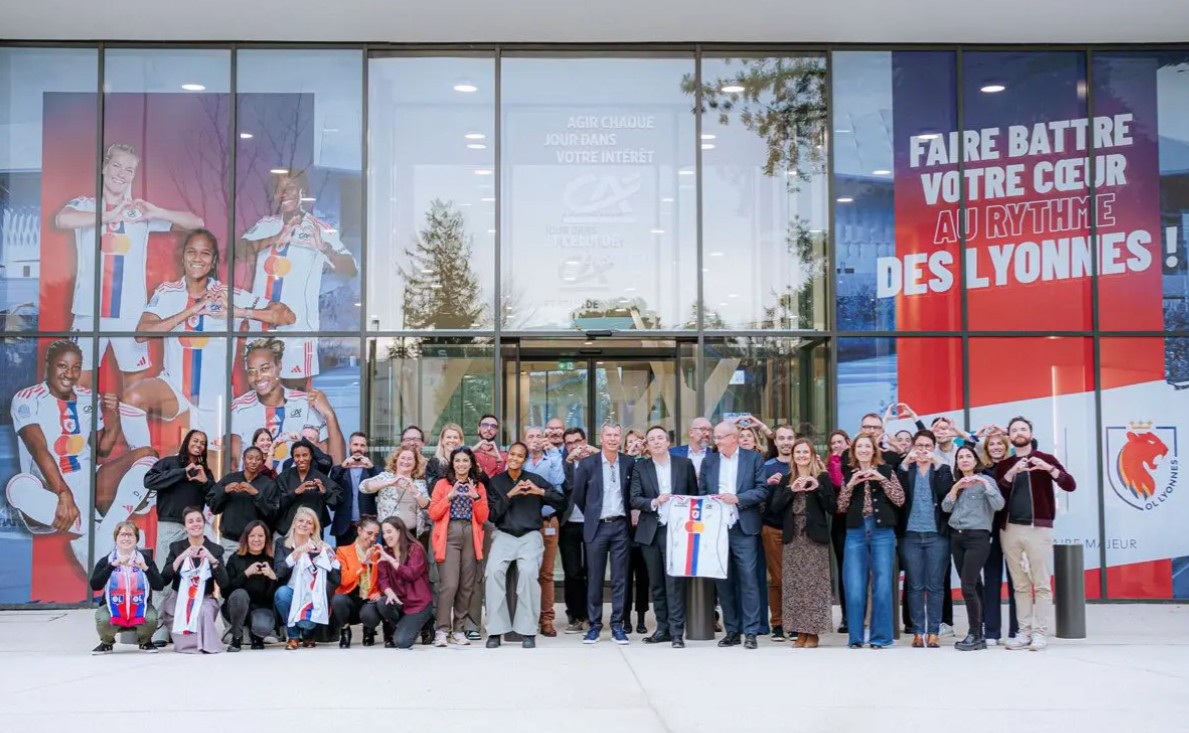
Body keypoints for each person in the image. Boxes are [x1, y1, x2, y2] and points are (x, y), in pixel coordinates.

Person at [122, 228, 295, 453]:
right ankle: (142, 468)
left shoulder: (227, 294)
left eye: (205, 254)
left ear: (213, 260)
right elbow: (141, 333)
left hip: (214, 401)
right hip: (174, 391)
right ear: (183, 256)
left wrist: (236, 311)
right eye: (191, 252)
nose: (197, 258)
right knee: (132, 397)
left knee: (209, 473)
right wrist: (192, 310)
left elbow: (286, 316)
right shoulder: (167, 292)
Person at [54, 142, 203, 390]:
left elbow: (197, 224)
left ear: (134, 175)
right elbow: (62, 219)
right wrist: (109, 216)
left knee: (134, 394)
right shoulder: (85, 204)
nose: (121, 174)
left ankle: (121, 430)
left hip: (130, 314)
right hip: (88, 311)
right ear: (104, 167)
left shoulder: (140, 213)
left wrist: (158, 211)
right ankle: (91, 430)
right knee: (80, 388)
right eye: (116, 166)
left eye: (128, 170)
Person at [5, 340, 156, 573]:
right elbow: (39, 448)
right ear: (49, 364)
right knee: (18, 487)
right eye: (62, 366)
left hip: (89, 488)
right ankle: (102, 532)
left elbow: (101, 450)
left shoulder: (88, 398)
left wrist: (115, 415)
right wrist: (64, 494)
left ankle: (103, 533)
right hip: (50, 497)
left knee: (148, 455)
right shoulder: (26, 398)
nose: (69, 374)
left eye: (76, 367)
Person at [237, 169, 357, 390]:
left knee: (295, 397)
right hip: (259, 328)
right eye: (279, 189)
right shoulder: (265, 225)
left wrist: (323, 247)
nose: (284, 193)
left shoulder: (319, 229)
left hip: (297, 333)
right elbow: (238, 252)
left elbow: (351, 269)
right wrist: (276, 239)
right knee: (259, 395)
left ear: (303, 192)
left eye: (290, 187)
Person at [994, 416, 1076, 652]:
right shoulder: (1004, 463)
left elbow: (1070, 484)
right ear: (1009, 436)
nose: (1019, 433)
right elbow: (997, 497)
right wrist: (1011, 473)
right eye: (1014, 430)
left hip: (1038, 528)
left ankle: (1040, 633)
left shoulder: (1046, 459)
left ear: (1030, 433)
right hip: (1009, 529)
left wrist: (1048, 469)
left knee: (1041, 583)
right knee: (1019, 585)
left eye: (1023, 429)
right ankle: (1023, 632)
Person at [484, 442, 566, 648]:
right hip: (504, 534)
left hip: (530, 535)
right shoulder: (496, 482)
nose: (515, 458)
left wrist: (540, 492)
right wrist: (510, 495)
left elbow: (562, 502)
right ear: (507, 456)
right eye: (512, 454)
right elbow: (492, 515)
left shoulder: (535, 479)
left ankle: (527, 630)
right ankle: (495, 631)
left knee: (528, 573)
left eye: (520, 456)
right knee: (493, 572)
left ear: (524, 459)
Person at [698, 420, 768, 649]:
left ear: (733, 438)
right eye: (715, 437)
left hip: (743, 526)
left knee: (748, 579)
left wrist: (738, 498)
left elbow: (762, 490)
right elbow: (702, 493)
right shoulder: (709, 461)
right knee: (723, 581)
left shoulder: (753, 458)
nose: (715, 441)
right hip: (717, 529)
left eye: (719, 437)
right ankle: (732, 631)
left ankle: (751, 632)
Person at [628, 425, 698, 647]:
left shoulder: (683, 464)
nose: (656, 442)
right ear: (646, 445)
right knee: (656, 583)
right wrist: (654, 502)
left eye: (661, 437)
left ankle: (677, 631)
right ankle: (663, 628)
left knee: (674, 583)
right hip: (651, 530)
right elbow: (634, 498)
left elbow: (694, 496)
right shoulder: (642, 468)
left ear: (668, 442)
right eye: (652, 439)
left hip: (677, 531)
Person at [228, 337, 345, 471]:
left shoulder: (306, 404)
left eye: (265, 368)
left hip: (298, 489)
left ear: (279, 365)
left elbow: (336, 463)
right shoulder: (238, 408)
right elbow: (233, 464)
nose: (258, 377)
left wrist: (330, 415)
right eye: (251, 371)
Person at [143, 428, 215, 643]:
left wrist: (205, 482)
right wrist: (183, 472)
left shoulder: (205, 471)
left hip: (193, 530)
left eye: (202, 442)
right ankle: (157, 628)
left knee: (190, 577)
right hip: (169, 524)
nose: (199, 445)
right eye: (195, 441)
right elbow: (149, 481)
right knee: (165, 576)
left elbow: (214, 500)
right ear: (187, 442)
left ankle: (183, 624)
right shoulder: (169, 463)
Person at [838, 434, 905, 649]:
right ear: (854, 451)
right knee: (854, 585)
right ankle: (856, 637)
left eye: (868, 446)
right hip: (856, 532)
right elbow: (840, 506)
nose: (864, 450)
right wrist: (851, 485)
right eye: (860, 447)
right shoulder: (848, 472)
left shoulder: (886, 470)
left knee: (883, 585)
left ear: (874, 450)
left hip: (882, 532)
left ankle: (881, 637)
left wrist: (881, 479)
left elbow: (900, 499)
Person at [769, 438, 835, 648]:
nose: (801, 456)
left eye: (805, 452)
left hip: (814, 537)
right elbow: (775, 507)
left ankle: (813, 632)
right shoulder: (787, 478)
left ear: (812, 454)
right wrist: (791, 490)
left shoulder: (822, 477)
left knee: (814, 586)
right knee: (795, 586)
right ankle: (799, 631)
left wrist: (817, 488)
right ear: (793, 456)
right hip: (793, 537)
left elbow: (832, 507)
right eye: (798, 452)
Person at [572, 423, 634, 645]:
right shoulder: (588, 464)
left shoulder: (628, 462)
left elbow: (631, 493)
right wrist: (592, 513)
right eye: (608, 434)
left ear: (620, 437)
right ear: (600, 437)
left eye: (616, 434)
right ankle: (595, 626)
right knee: (595, 579)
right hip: (597, 527)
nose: (612, 438)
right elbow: (578, 495)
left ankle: (617, 625)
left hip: (620, 526)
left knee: (620, 579)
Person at [943, 445, 1005, 651]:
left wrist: (985, 485)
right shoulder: (957, 483)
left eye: (968, 456)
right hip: (957, 537)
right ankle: (980, 630)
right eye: (960, 457)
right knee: (973, 584)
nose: (964, 460)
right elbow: (946, 507)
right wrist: (954, 488)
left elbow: (998, 505)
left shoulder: (987, 481)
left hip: (977, 537)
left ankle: (975, 634)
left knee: (967, 586)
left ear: (975, 460)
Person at [895, 430, 953, 649]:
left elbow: (945, 493)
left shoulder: (943, 469)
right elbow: (897, 494)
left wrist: (937, 465)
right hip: (910, 535)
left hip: (937, 535)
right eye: (919, 445)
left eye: (927, 445)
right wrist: (903, 465)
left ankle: (934, 632)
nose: (923, 450)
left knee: (936, 586)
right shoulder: (905, 469)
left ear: (934, 447)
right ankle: (918, 632)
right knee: (915, 586)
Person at [428, 446, 490, 646]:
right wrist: (449, 497)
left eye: (465, 460)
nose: (461, 464)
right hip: (450, 534)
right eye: (457, 460)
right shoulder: (442, 484)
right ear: (452, 463)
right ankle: (442, 630)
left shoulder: (478, 486)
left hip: (470, 535)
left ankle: (459, 630)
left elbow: (483, 517)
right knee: (450, 584)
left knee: (466, 585)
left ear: (471, 463)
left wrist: (476, 497)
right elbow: (433, 513)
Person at [160, 506, 230, 654]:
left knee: (203, 610)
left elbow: (224, 583)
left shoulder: (215, 549)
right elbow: (164, 579)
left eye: (198, 520)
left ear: (204, 523)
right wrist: (180, 558)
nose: (195, 524)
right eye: (190, 521)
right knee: (178, 618)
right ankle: (190, 643)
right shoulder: (176, 547)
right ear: (185, 526)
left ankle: (207, 644)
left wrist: (212, 560)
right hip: (179, 599)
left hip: (205, 598)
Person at [90, 521, 164, 654]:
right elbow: (95, 585)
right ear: (116, 538)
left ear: (136, 539)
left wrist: (146, 568)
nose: (126, 538)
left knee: (152, 617)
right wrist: (112, 566)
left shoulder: (145, 560)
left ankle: (145, 642)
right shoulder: (107, 561)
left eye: (130, 535)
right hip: (113, 607)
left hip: (139, 607)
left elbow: (159, 586)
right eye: (122, 535)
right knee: (103, 618)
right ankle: (106, 643)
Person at [274, 506, 341, 649]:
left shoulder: (319, 548)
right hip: (291, 593)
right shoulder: (282, 543)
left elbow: (336, 579)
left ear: (313, 529)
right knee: (282, 594)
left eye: (309, 523)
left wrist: (330, 556)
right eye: (301, 521)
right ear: (294, 523)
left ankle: (308, 634)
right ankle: (293, 636)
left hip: (311, 596)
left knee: (306, 623)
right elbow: (279, 572)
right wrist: (296, 553)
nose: (304, 525)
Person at [521, 425, 565, 637]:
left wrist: (555, 453)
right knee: (527, 573)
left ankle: (546, 619)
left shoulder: (552, 461)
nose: (536, 440)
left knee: (546, 573)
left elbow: (558, 484)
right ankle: (527, 616)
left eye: (540, 436)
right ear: (524, 439)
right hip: (525, 524)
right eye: (531, 436)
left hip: (548, 523)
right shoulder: (520, 461)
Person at [977, 430, 1019, 645]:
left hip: (1012, 528)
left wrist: (1007, 432)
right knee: (991, 580)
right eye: (991, 444)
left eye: (999, 443)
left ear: (1006, 445)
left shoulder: (1016, 467)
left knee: (1016, 581)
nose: (995, 447)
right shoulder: (983, 470)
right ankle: (992, 631)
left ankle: (1016, 630)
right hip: (990, 530)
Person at [760, 425, 797, 641]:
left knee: (795, 578)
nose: (786, 442)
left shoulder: (802, 462)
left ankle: (794, 623)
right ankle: (778, 624)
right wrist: (767, 485)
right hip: (773, 527)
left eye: (789, 438)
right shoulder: (766, 467)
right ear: (776, 441)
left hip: (799, 530)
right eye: (781, 438)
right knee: (778, 579)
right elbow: (758, 496)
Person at [376, 516, 435, 649]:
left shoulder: (415, 549)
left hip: (418, 604)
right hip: (401, 603)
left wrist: (391, 560)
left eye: (389, 532)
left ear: (400, 531)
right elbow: (383, 579)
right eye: (384, 533)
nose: (386, 536)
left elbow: (410, 574)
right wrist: (389, 592)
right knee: (383, 603)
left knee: (402, 642)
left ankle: (426, 622)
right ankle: (404, 626)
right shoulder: (386, 552)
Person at [208, 446, 278, 555]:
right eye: (250, 458)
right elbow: (212, 505)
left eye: (258, 459)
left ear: (262, 461)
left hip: (256, 544)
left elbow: (273, 514)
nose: (253, 462)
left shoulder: (268, 484)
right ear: (244, 459)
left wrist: (256, 494)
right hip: (229, 542)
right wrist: (225, 490)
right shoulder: (230, 479)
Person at [223, 520, 279, 651]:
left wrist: (272, 577)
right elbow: (225, 591)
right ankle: (236, 639)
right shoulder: (235, 558)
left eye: (260, 536)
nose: (256, 539)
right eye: (252, 536)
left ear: (266, 538)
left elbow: (273, 598)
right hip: (236, 607)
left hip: (261, 609)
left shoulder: (271, 560)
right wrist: (246, 574)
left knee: (262, 625)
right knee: (240, 594)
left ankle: (256, 637)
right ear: (246, 538)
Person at [560, 427, 594, 633]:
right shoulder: (563, 464)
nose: (574, 446)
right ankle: (575, 615)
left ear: (585, 441)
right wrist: (568, 463)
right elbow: (564, 487)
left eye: (577, 441)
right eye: (569, 443)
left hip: (591, 523)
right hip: (569, 524)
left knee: (592, 570)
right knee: (572, 573)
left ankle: (591, 615)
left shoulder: (595, 461)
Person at [332, 517, 384, 648]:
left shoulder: (378, 552)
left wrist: (379, 593)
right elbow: (344, 580)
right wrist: (362, 564)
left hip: (369, 598)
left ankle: (369, 630)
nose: (372, 538)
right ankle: (345, 630)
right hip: (350, 597)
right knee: (338, 600)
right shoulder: (343, 551)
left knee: (369, 616)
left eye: (376, 535)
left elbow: (384, 579)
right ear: (359, 530)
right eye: (369, 533)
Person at [274, 439, 342, 535]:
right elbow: (275, 503)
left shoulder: (320, 477)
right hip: (289, 531)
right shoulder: (283, 477)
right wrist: (295, 492)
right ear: (293, 458)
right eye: (297, 456)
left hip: (314, 532)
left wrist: (324, 492)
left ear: (311, 457)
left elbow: (338, 499)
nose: (301, 459)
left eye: (305, 455)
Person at [620, 428, 650, 635]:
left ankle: (641, 617)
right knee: (624, 575)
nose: (635, 445)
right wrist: (629, 457)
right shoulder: (621, 465)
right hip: (624, 526)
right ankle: (624, 618)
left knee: (643, 575)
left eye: (638, 441)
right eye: (630, 442)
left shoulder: (649, 466)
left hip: (645, 524)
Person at [360, 446, 429, 536]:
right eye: (402, 458)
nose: (405, 461)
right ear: (396, 460)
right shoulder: (385, 477)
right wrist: (390, 482)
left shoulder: (419, 483)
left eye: (410, 459)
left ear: (415, 463)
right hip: (387, 533)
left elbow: (427, 505)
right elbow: (363, 487)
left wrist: (414, 491)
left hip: (411, 534)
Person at [329, 432, 382, 545]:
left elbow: (382, 488)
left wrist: (371, 468)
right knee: (344, 561)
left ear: (366, 448)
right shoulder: (338, 470)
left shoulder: (374, 469)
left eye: (362, 445)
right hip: (344, 526)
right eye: (355, 444)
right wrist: (343, 467)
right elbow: (331, 487)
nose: (358, 448)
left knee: (367, 560)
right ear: (349, 446)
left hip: (368, 526)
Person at [825, 428, 850, 633]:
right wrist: (834, 461)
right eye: (833, 443)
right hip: (840, 523)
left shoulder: (855, 463)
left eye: (840, 442)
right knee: (844, 570)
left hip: (857, 522)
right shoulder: (829, 465)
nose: (836, 446)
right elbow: (835, 484)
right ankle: (846, 616)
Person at [425, 423, 465, 495]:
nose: (452, 440)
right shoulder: (433, 463)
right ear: (442, 441)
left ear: (460, 441)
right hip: (442, 504)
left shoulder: (467, 462)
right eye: (448, 437)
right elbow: (432, 490)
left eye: (455, 437)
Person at [472, 414, 507, 478]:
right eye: (485, 425)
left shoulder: (503, 456)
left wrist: (497, 454)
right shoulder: (471, 452)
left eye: (493, 426)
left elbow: (501, 478)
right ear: (478, 428)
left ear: (496, 432)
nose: (489, 429)